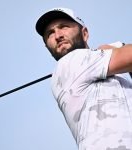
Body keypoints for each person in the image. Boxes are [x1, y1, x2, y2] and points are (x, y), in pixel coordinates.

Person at [35, 7, 132, 150]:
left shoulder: (118, 73)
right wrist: (120, 47)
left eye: (63, 27)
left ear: (84, 33)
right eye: (50, 33)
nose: (57, 35)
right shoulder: (69, 63)